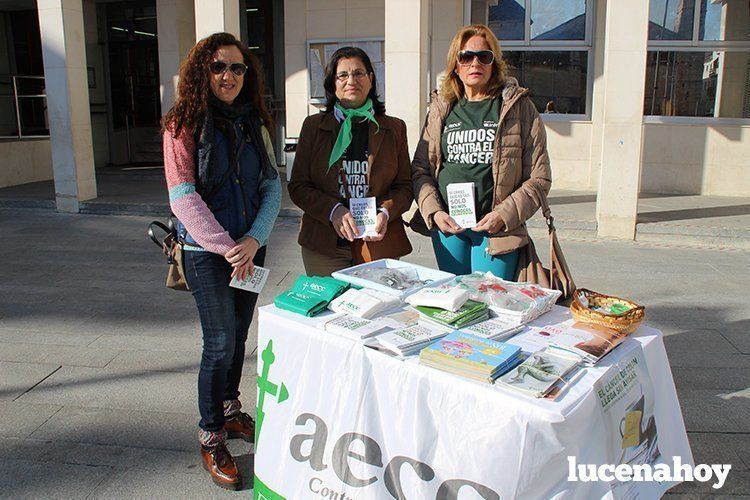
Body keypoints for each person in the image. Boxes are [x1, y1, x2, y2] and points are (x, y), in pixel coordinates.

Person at [162, 32, 281, 490]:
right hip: (207, 255)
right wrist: (226, 246)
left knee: (238, 334)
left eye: (236, 68)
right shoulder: (181, 123)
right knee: (218, 343)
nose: (228, 76)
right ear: (201, 72)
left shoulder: (257, 123)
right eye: (217, 67)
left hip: (251, 249)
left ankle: (231, 412)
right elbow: (182, 196)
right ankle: (211, 434)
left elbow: (271, 186)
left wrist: (253, 239)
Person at [411, 24, 551, 278]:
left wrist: (504, 214)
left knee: (489, 304)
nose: (475, 63)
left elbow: (539, 178)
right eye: (466, 57)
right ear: (456, 64)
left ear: (493, 63)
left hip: (497, 230)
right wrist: (434, 212)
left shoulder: (518, 108)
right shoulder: (441, 109)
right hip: (449, 228)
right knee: (456, 302)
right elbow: (421, 170)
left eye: (484, 57)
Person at [288, 46, 413, 276]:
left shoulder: (394, 128)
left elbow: (405, 186)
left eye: (358, 73)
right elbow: (298, 186)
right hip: (325, 246)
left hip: (377, 242)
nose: (351, 80)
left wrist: (385, 212)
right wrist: (333, 210)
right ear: (333, 84)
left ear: (371, 79)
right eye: (342, 75)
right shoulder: (313, 127)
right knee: (330, 309)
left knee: (376, 309)